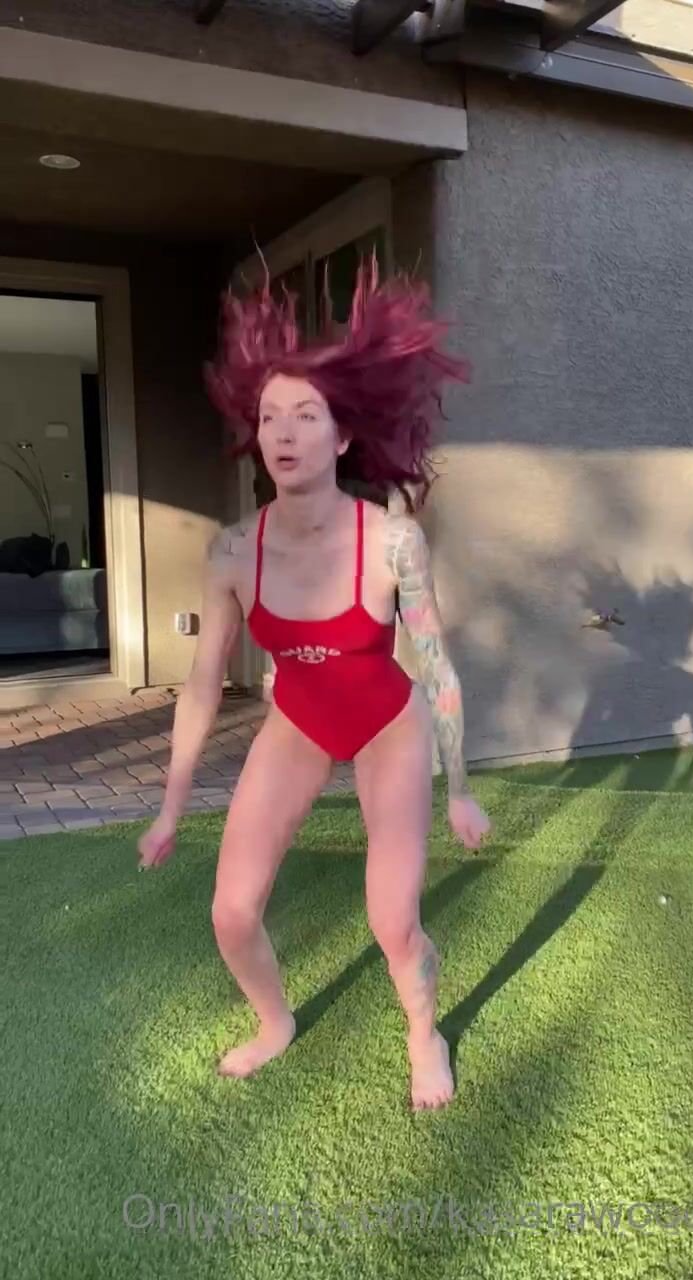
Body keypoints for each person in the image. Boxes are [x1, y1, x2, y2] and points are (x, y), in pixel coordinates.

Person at [137, 260, 491, 1110]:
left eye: (306, 415)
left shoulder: (392, 541)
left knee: (392, 921)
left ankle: (424, 1033)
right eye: (269, 417)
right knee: (231, 912)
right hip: (295, 723)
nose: (283, 432)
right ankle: (275, 1023)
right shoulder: (233, 552)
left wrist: (459, 788)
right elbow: (202, 685)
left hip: (388, 725)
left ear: (340, 438)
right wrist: (171, 806)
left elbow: (435, 665)